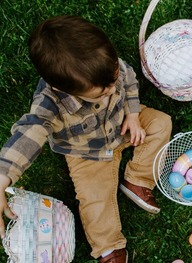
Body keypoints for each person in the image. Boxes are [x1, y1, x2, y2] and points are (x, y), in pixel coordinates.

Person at [0, 16, 172, 263]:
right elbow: (30, 132)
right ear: (63, 89)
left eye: (114, 80)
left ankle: (137, 179)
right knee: (95, 199)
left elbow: (130, 81)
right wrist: (3, 175)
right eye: (103, 91)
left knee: (160, 123)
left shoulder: (107, 66)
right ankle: (108, 246)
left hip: (122, 124)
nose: (113, 89)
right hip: (86, 152)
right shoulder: (50, 104)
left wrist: (133, 115)